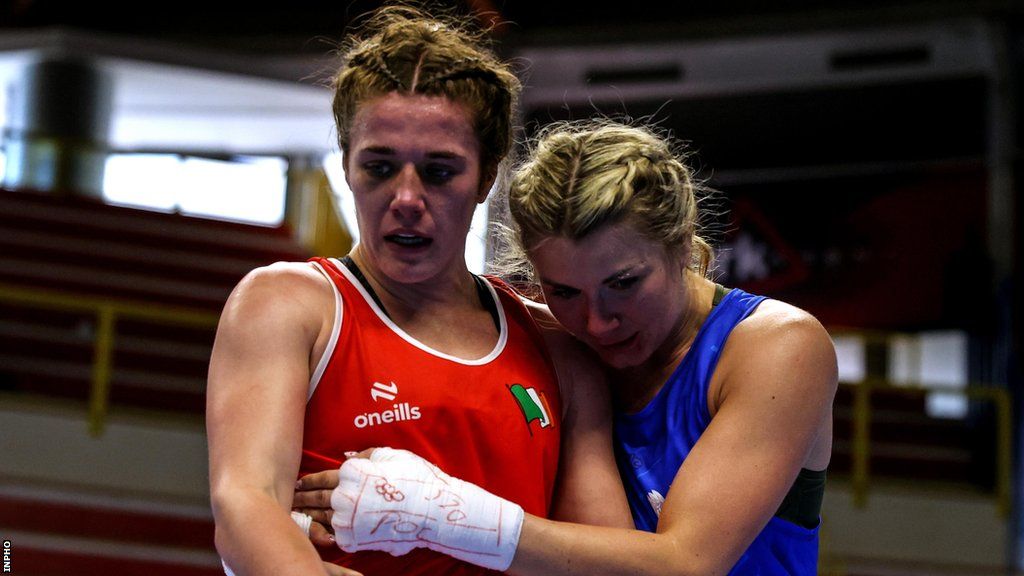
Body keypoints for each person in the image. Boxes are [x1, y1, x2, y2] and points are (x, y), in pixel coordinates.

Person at [298, 119, 838, 575]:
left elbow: (686, 563)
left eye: (624, 283)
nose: (598, 322)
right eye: (565, 292)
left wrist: (439, 513)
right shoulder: (551, 347)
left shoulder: (777, 347)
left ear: (681, 242)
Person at [206, 7, 631, 576]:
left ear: (486, 178)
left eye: (437, 172)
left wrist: (452, 518)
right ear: (348, 165)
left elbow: (607, 561)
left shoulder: (555, 342)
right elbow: (244, 504)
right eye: (380, 167)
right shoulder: (289, 305)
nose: (406, 197)